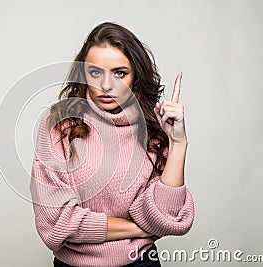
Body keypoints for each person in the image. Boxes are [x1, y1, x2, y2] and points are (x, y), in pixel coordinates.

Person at [30, 22, 194, 267]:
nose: (106, 85)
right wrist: (138, 229)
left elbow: (165, 216)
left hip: (140, 262)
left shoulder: (154, 129)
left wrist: (178, 143)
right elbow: (57, 222)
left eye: (119, 73)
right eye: (95, 72)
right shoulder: (60, 124)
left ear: (135, 75)